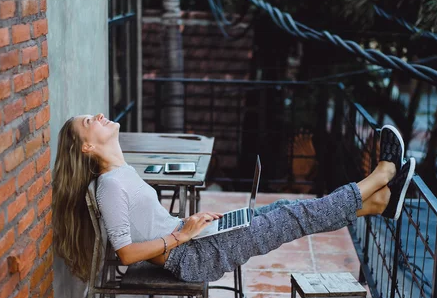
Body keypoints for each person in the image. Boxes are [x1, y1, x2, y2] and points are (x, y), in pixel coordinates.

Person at [52, 114, 415, 283]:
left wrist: (188, 226)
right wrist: (181, 235)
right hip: (192, 258)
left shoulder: (119, 174)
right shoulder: (111, 186)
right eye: (89, 121)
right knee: (295, 217)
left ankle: (377, 204)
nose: (99, 116)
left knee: (285, 209)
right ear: (87, 146)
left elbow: (149, 226)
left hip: (193, 242)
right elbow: (126, 254)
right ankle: (382, 174)